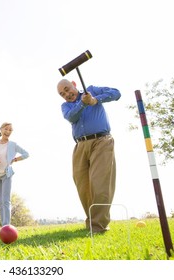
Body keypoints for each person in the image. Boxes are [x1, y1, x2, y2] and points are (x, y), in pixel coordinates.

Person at [57, 79, 121, 233]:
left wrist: (94, 99)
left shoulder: (92, 89)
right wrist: (83, 103)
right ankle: (92, 221)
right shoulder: (65, 106)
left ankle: (99, 226)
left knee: (100, 183)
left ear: (74, 84)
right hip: (80, 145)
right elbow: (71, 117)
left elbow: (116, 93)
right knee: (83, 186)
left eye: (67, 89)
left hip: (101, 141)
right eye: (62, 94)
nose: (66, 94)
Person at [0, 122, 29, 226]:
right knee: (0, 202)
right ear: (1, 130)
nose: (8, 131)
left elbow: (26, 154)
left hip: (7, 174)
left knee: (6, 200)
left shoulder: (13, 145)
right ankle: (3, 225)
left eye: (10, 130)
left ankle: (6, 225)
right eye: (6, 129)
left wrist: (15, 159)